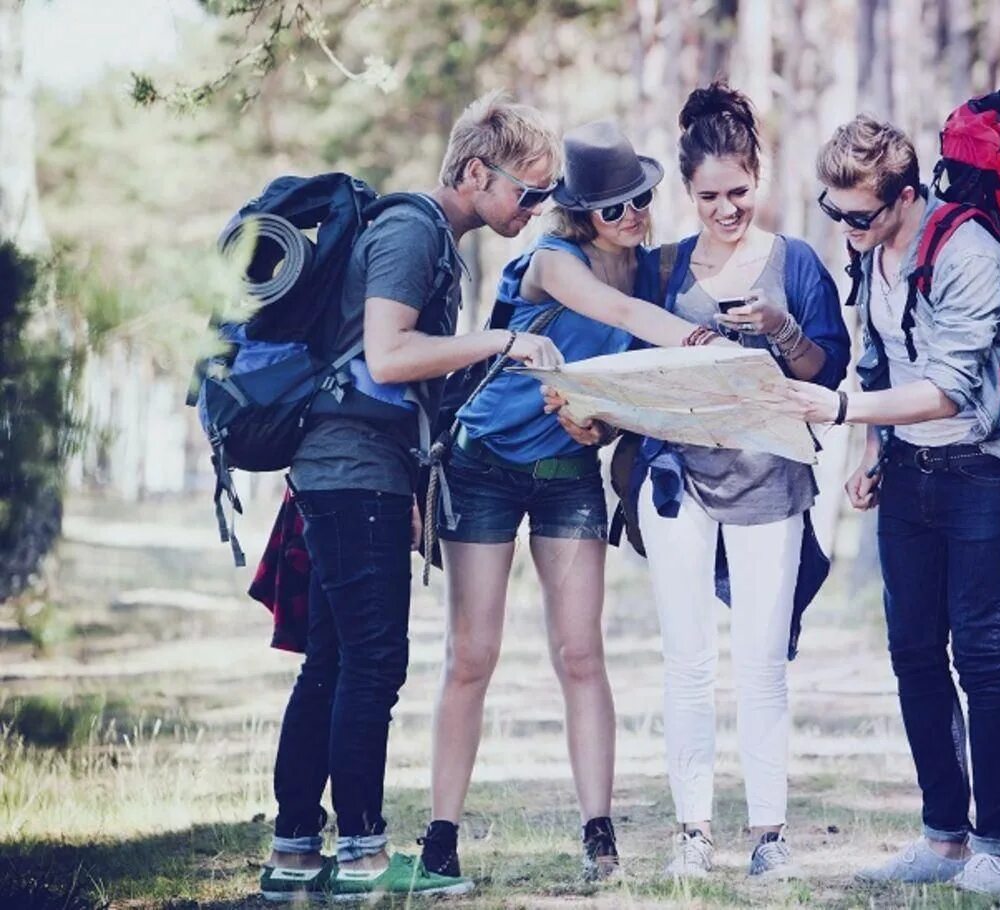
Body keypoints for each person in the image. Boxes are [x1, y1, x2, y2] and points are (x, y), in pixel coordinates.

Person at [260, 91, 564, 902]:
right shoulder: (411, 230)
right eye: (528, 192)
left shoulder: (436, 241)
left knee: (331, 662)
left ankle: (295, 852)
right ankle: (360, 853)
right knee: (372, 662)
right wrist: (503, 339)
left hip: (361, 471)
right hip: (349, 472)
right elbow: (389, 357)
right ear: (476, 171)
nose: (536, 210)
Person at [421, 120, 723, 884]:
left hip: (567, 470)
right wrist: (705, 348)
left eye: (642, 202)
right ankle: (440, 836)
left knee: (581, 652)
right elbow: (622, 323)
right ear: (580, 212)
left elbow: (627, 390)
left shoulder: (647, 273)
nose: (633, 218)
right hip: (485, 463)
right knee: (473, 654)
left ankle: (599, 833)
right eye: (614, 209)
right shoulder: (551, 261)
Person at [783, 114, 1000, 898]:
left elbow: (952, 387)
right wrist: (869, 457)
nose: (847, 229)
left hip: (985, 470)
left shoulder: (970, 256)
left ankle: (997, 848)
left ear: (906, 196)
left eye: (861, 215)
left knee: (980, 655)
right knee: (913, 652)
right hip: (910, 469)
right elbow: (879, 355)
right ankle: (942, 838)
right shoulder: (870, 253)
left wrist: (845, 414)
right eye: (835, 213)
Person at [629, 82, 850, 879]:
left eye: (740, 192)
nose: (726, 209)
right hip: (675, 480)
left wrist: (782, 330)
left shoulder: (797, 264)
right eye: (709, 196)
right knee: (686, 658)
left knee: (761, 657)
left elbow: (829, 377)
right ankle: (692, 829)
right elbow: (627, 361)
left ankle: (769, 833)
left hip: (770, 480)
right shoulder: (656, 268)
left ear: (760, 177)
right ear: (688, 193)